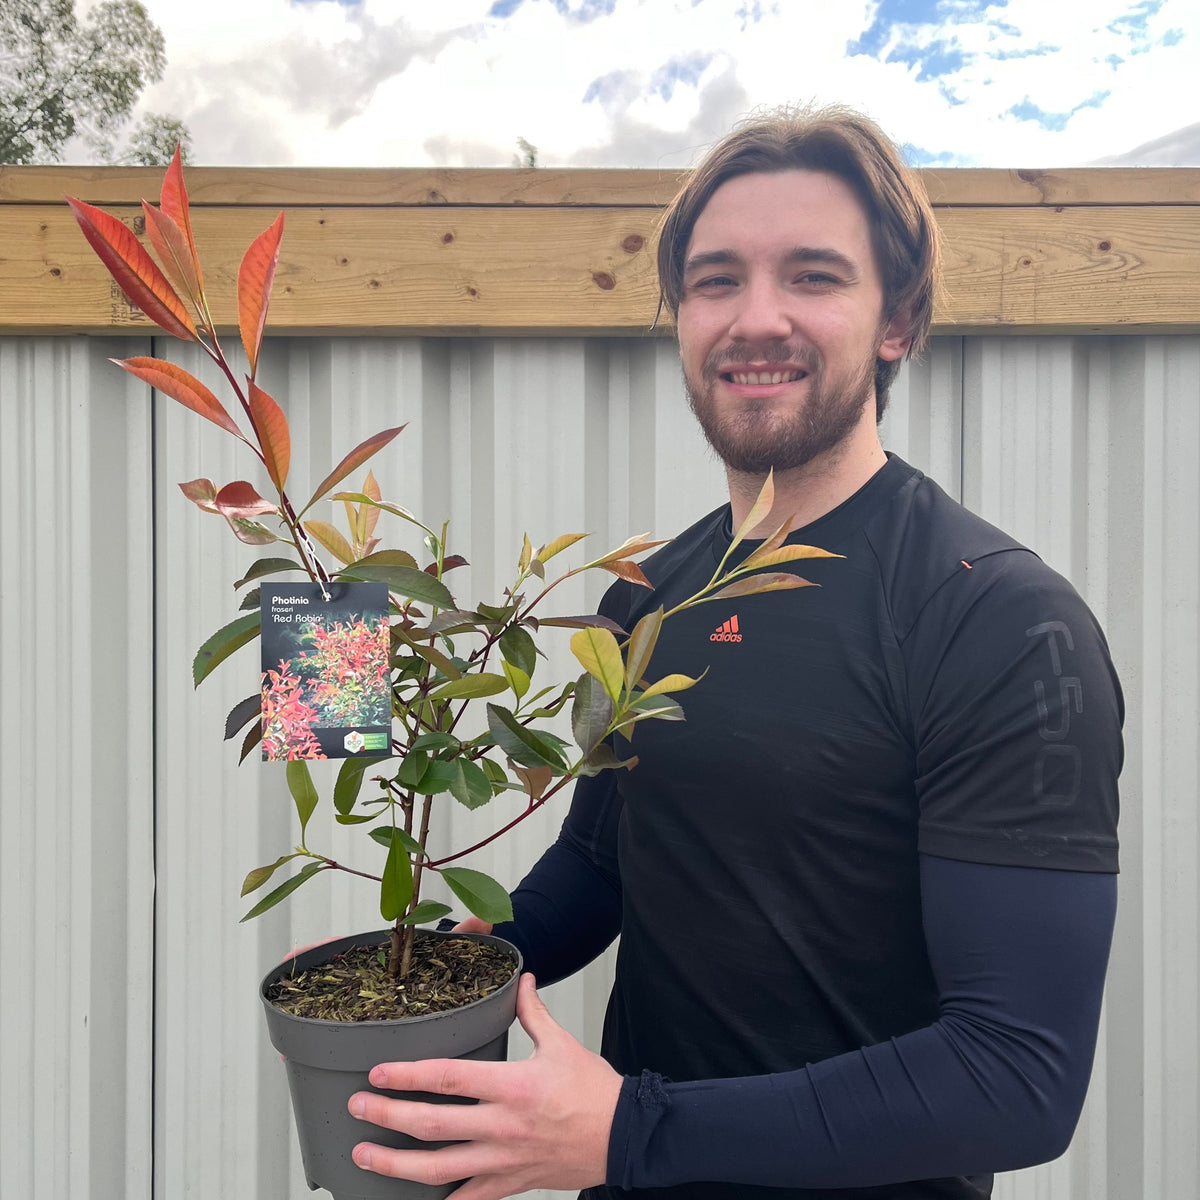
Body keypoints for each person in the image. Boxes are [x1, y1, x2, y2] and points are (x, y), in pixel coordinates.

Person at [347, 103, 1123, 1200]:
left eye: (812, 276)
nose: (756, 318)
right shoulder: (647, 595)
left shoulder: (998, 620)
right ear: (680, 318)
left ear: (896, 319)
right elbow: (603, 866)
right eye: (716, 280)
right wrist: (445, 966)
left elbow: (1016, 1076)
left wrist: (627, 1133)